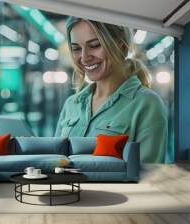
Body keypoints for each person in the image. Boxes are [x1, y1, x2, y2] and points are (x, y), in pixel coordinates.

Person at [55, 17, 168, 163]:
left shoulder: (147, 104)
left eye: (95, 45)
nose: (84, 57)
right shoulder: (71, 104)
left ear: (121, 45)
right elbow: (55, 160)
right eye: (76, 48)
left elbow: (146, 175)